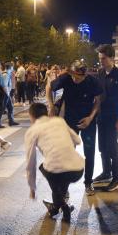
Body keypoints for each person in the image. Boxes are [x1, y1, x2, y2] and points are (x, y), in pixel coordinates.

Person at [47, 60, 103, 196]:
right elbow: (49, 87)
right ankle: (64, 188)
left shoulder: (92, 82)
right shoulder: (66, 78)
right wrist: (51, 105)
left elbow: (98, 100)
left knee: (89, 153)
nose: (76, 79)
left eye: (79, 77)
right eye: (74, 76)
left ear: (85, 75)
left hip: (87, 121)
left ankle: (88, 183)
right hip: (70, 121)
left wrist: (90, 117)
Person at [25, 103, 84, 222]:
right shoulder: (59, 121)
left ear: (31, 116)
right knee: (60, 176)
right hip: (78, 169)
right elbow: (77, 140)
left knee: (47, 169)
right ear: (46, 113)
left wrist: (32, 188)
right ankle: (56, 208)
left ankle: (63, 207)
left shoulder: (32, 131)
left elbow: (30, 163)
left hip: (56, 171)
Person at [93, 44, 118, 191]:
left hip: (113, 117)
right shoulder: (100, 73)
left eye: (104, 58)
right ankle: (106, 172)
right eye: (100, 58)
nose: (101, 61)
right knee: (102, 147)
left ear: (112, 57)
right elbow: (98, 96)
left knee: (113, 147)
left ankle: (117, 178)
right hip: (101, 117)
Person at [0, 63, 19, 128]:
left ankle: (11, 121)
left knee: (10, 107)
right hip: (5, 93)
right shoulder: (6, 74)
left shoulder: (5, 73)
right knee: (2, 108)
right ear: (10, 68)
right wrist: (7, 93)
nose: (13, 69)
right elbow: (4, 85)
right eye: (12, 68)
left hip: (6, 93)